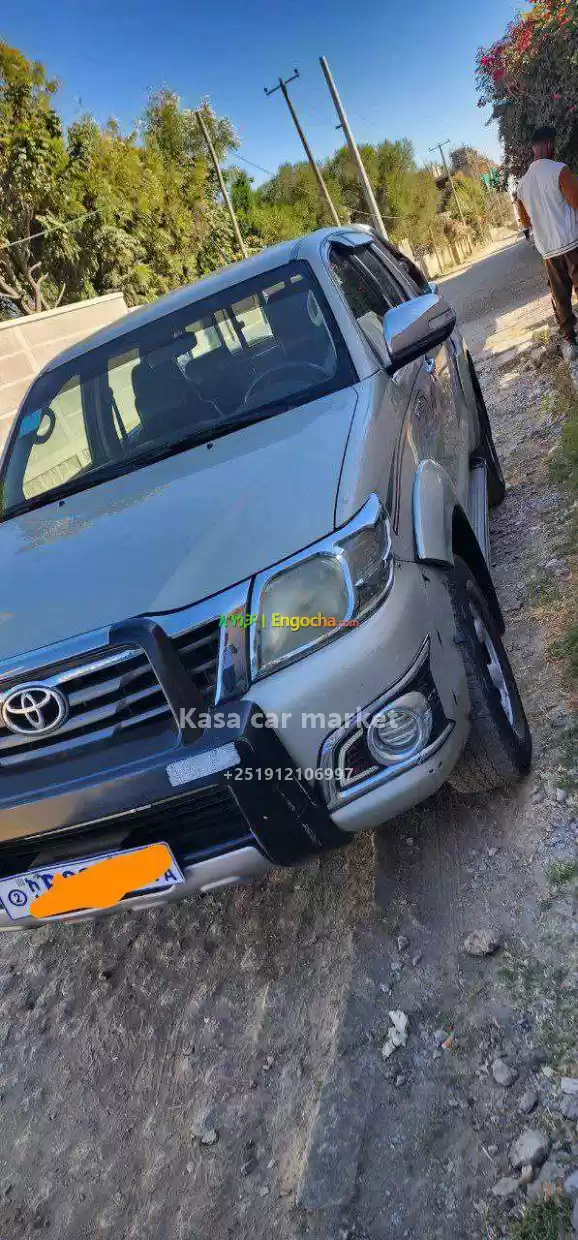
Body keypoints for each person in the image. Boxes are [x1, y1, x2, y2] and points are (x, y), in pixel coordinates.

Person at [517, 125, 578, 362]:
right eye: (554, 144)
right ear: (548, 144)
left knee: (560, 296)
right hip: (572, 243)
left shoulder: (522, 186)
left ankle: (570, 341)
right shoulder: (559, 170)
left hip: (548, 252)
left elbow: (525, 221)